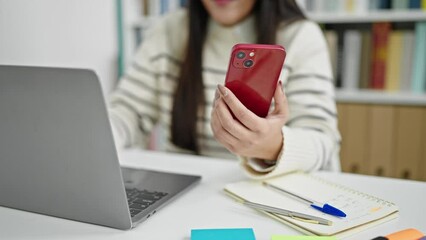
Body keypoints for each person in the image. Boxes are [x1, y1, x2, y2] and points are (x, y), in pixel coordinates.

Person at [108, 0, 341, 178]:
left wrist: (273, 146)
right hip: (183, 195)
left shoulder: (301, 35)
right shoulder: (168, 30)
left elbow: (323, 141)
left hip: (268, 199)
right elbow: (126, 112)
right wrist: (93, 138)